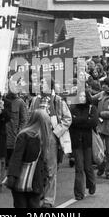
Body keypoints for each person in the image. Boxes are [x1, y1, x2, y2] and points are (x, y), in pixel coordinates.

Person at [29, 78, 72, 208]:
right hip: (36, 137)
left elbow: (67, 118)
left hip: (51, 137)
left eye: (43, 83)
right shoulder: (35, 100)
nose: (40, 85)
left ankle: (48, 200)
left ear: (50, 86)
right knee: (36, 167)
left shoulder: (58, 100)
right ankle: (39, 192)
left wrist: (56, 132)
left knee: (50, 169)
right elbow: (29, 116)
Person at [6, 110, 50, 208]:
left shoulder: (24, 135)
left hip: (21, 180)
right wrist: (45, 178)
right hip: (36, 181)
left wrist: (12, 177)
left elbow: (16, 158)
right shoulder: (42, 139)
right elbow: (44, 161)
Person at [69, 90, 98, 199]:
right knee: (79, 167)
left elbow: (94, 122)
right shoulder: (73, 108)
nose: (81, 98)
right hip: (76, 142)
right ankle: (79, 193)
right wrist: (85, 120)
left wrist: (78, 121)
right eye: (79, 96)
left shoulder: (92, 108)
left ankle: (91, 184)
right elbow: (71, 122)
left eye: (83, 96)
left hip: (87, 142)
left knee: (88, 167)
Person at [5, 88, 28, 168]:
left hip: (14, 139)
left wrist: (19, 133)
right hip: (3, 139)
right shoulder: (2, 100)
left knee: (12, 166)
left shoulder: (20, 102)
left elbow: (24, 121)